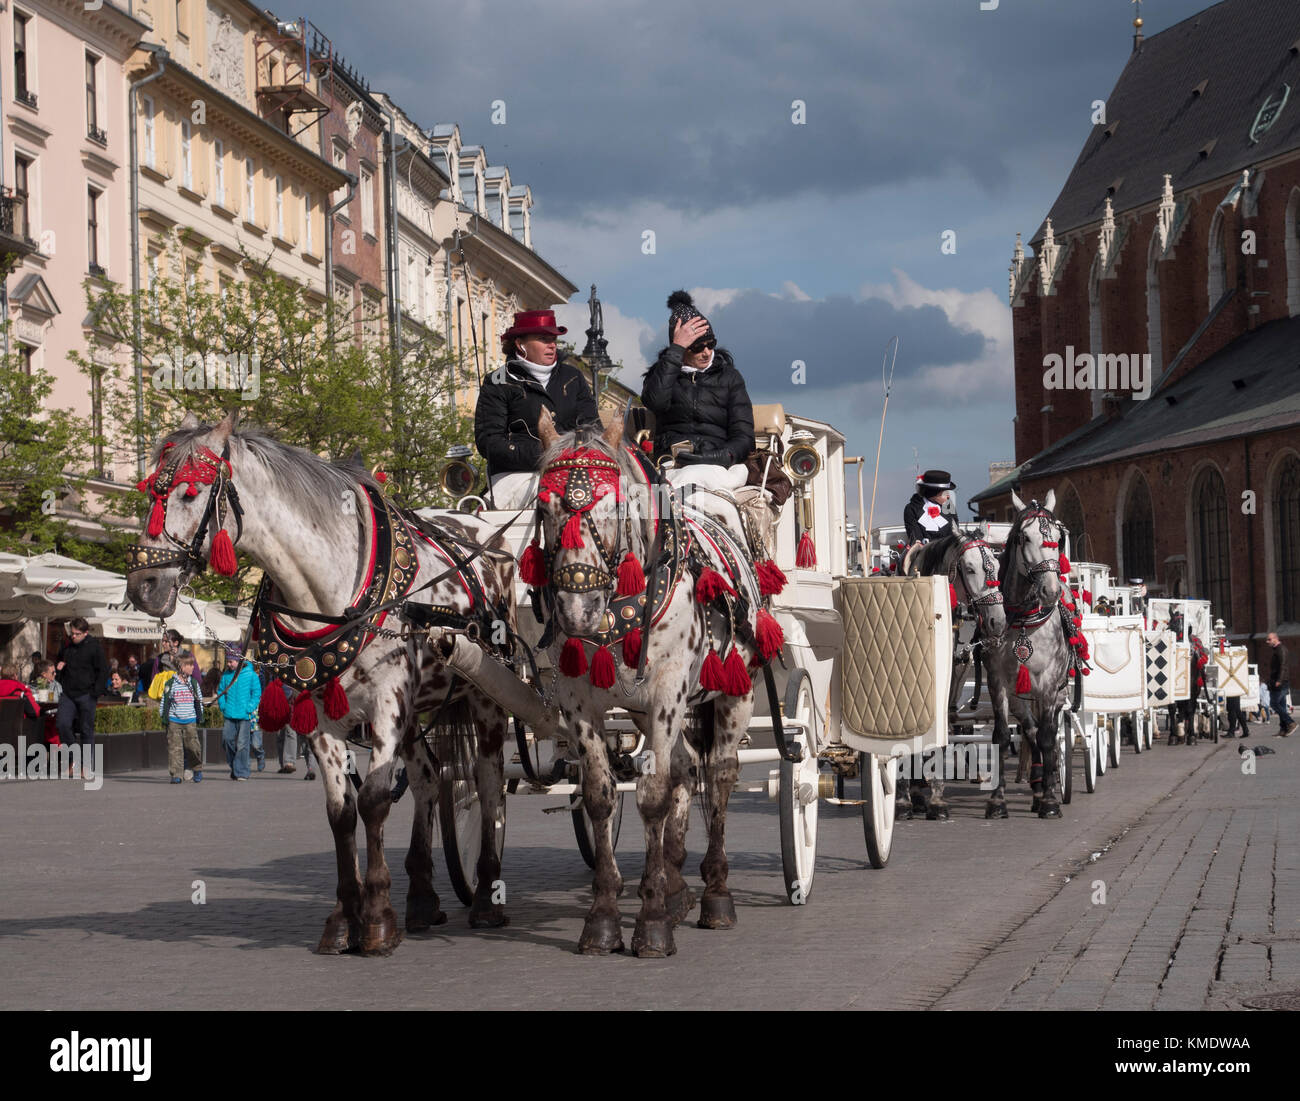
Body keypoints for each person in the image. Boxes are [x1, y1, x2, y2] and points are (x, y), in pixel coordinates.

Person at [474, 309, 598, 508]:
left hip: (572, 471)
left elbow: (592, 428)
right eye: (543, 339)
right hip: (518, 477)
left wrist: (572, 455)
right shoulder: (498, 382)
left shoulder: (573, 377)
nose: (551, 345)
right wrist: (546, 452)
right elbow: (489, 442)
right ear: (520, 344)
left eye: (553, 339)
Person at [641, 291, 755, 500]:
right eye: (697, 347)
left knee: (681, 485)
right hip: (671, 464)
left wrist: (721, 455)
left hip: (719, 466)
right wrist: (675, 352)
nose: (706, 352)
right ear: (682, 348)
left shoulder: (730, 377)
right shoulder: (663, 374)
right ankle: (668, 529)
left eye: (711, 343)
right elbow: (655, 402)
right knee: (660, 489)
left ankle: (675, 523)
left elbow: (745, 436)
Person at [54, 617, 105, 778]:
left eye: (77, 634)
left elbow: (103, 670)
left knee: (86, 730)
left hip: (86, 694)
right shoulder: (67, 646)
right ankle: (73, 759)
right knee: (62, 724)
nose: (73, 637)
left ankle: (86, 766)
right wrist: (60, 670)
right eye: (72, 634)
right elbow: (59, 666)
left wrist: (95, 692)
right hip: (68, 693)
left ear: (85, 633)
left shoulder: (94, 647)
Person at [216, 644, 261, 780]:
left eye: (231, 661)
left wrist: (250, 707)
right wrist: (223, 706)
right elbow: (221, 692)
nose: (229, 664)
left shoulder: (251, 675)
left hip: (245, 715)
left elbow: (256, 692)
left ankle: (242, 772)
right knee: (226, 740)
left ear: (239, 660)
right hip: (229, 714)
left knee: (242, 744)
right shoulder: (226, 676)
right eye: (227, 661)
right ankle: (235, 765)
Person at [159, 652, 204, 783]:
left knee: (193, 747)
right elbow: (165, 701)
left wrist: (199, 716)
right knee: (175, 749)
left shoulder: (193, 683)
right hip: (174, 721)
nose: (192, 667)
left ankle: (197, 768)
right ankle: (176, 774)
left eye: (192, 665)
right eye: (189, 665)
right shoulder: (171, 683)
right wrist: (164, 717)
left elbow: (199, 701)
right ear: (181, 667)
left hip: (190, 720)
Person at [904, 470, 957, 545]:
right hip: (924, 552)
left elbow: (955, 532)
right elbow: (915, 538)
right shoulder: (912, 509)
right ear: (934, 493)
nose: (948, 496)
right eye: (945, 493)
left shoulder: (948, 506)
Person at [1265, 631, 1294, 736]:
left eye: (1269, 639)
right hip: (1277, 681)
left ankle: (1290, 722)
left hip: (1281, 682)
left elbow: (1283, 666)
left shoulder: (1281, 649)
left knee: (1274, 703)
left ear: (1275, 639)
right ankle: (1283, 729)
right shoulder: (1276, 650)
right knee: (1281, 704)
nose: (1267, 641)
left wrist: (1279, 680)